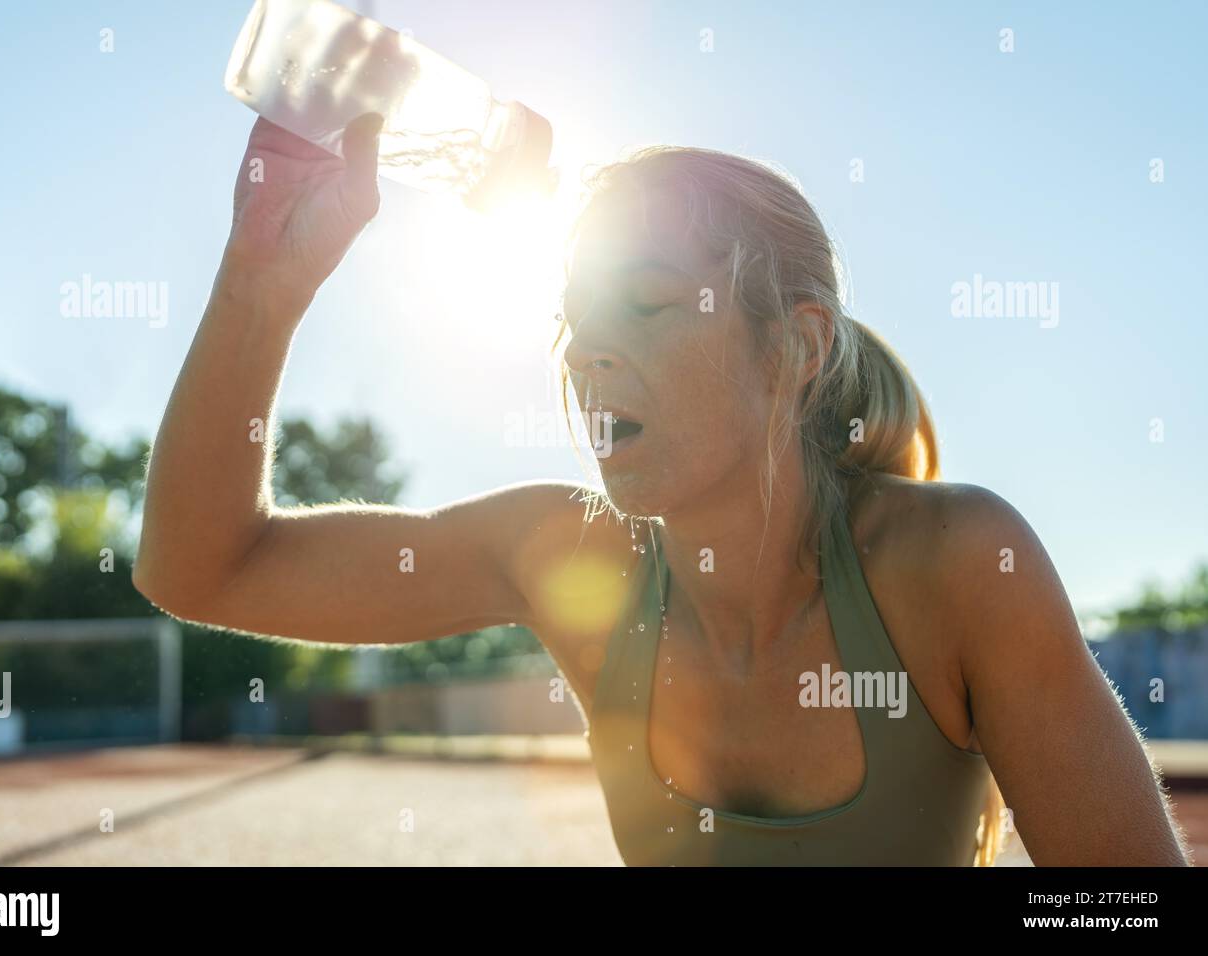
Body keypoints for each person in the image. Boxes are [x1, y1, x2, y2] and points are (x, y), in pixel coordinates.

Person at [133, 114, 1192, 866]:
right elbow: (201, 566)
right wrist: (260, 283)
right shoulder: (568, 555)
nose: (588, 350)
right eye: (575, 318)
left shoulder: (954, 563)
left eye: (645, 304)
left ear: (797, 344)